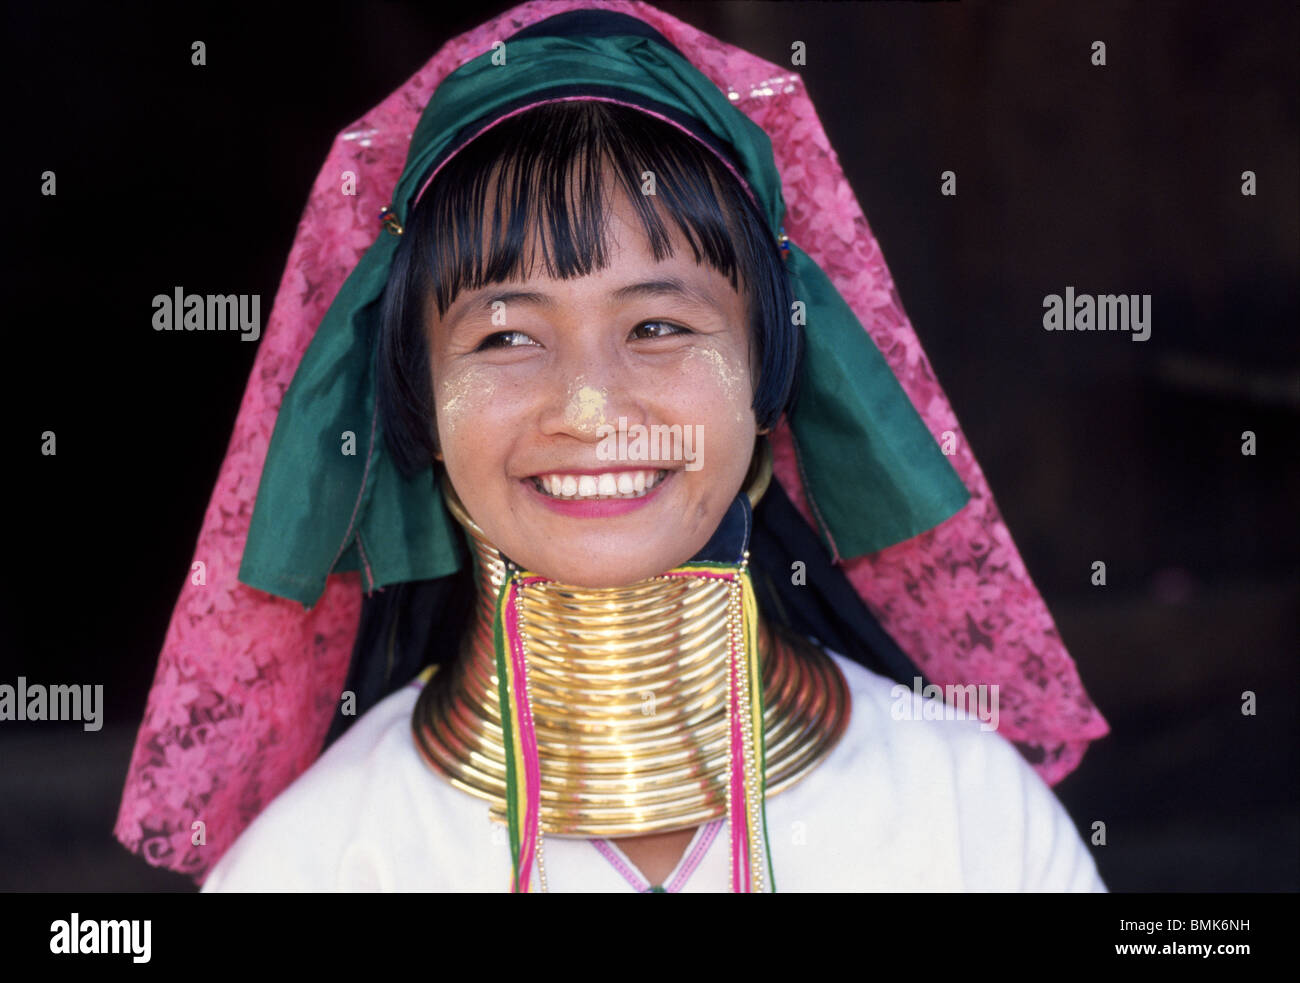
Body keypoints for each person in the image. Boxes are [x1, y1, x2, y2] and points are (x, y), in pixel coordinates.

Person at [115, 2, 1110, 892]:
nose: (588, 411)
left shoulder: (970, 819)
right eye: (506, 335)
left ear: (770, 374)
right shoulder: (319, 863)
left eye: (658, 327)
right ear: (415, 399)